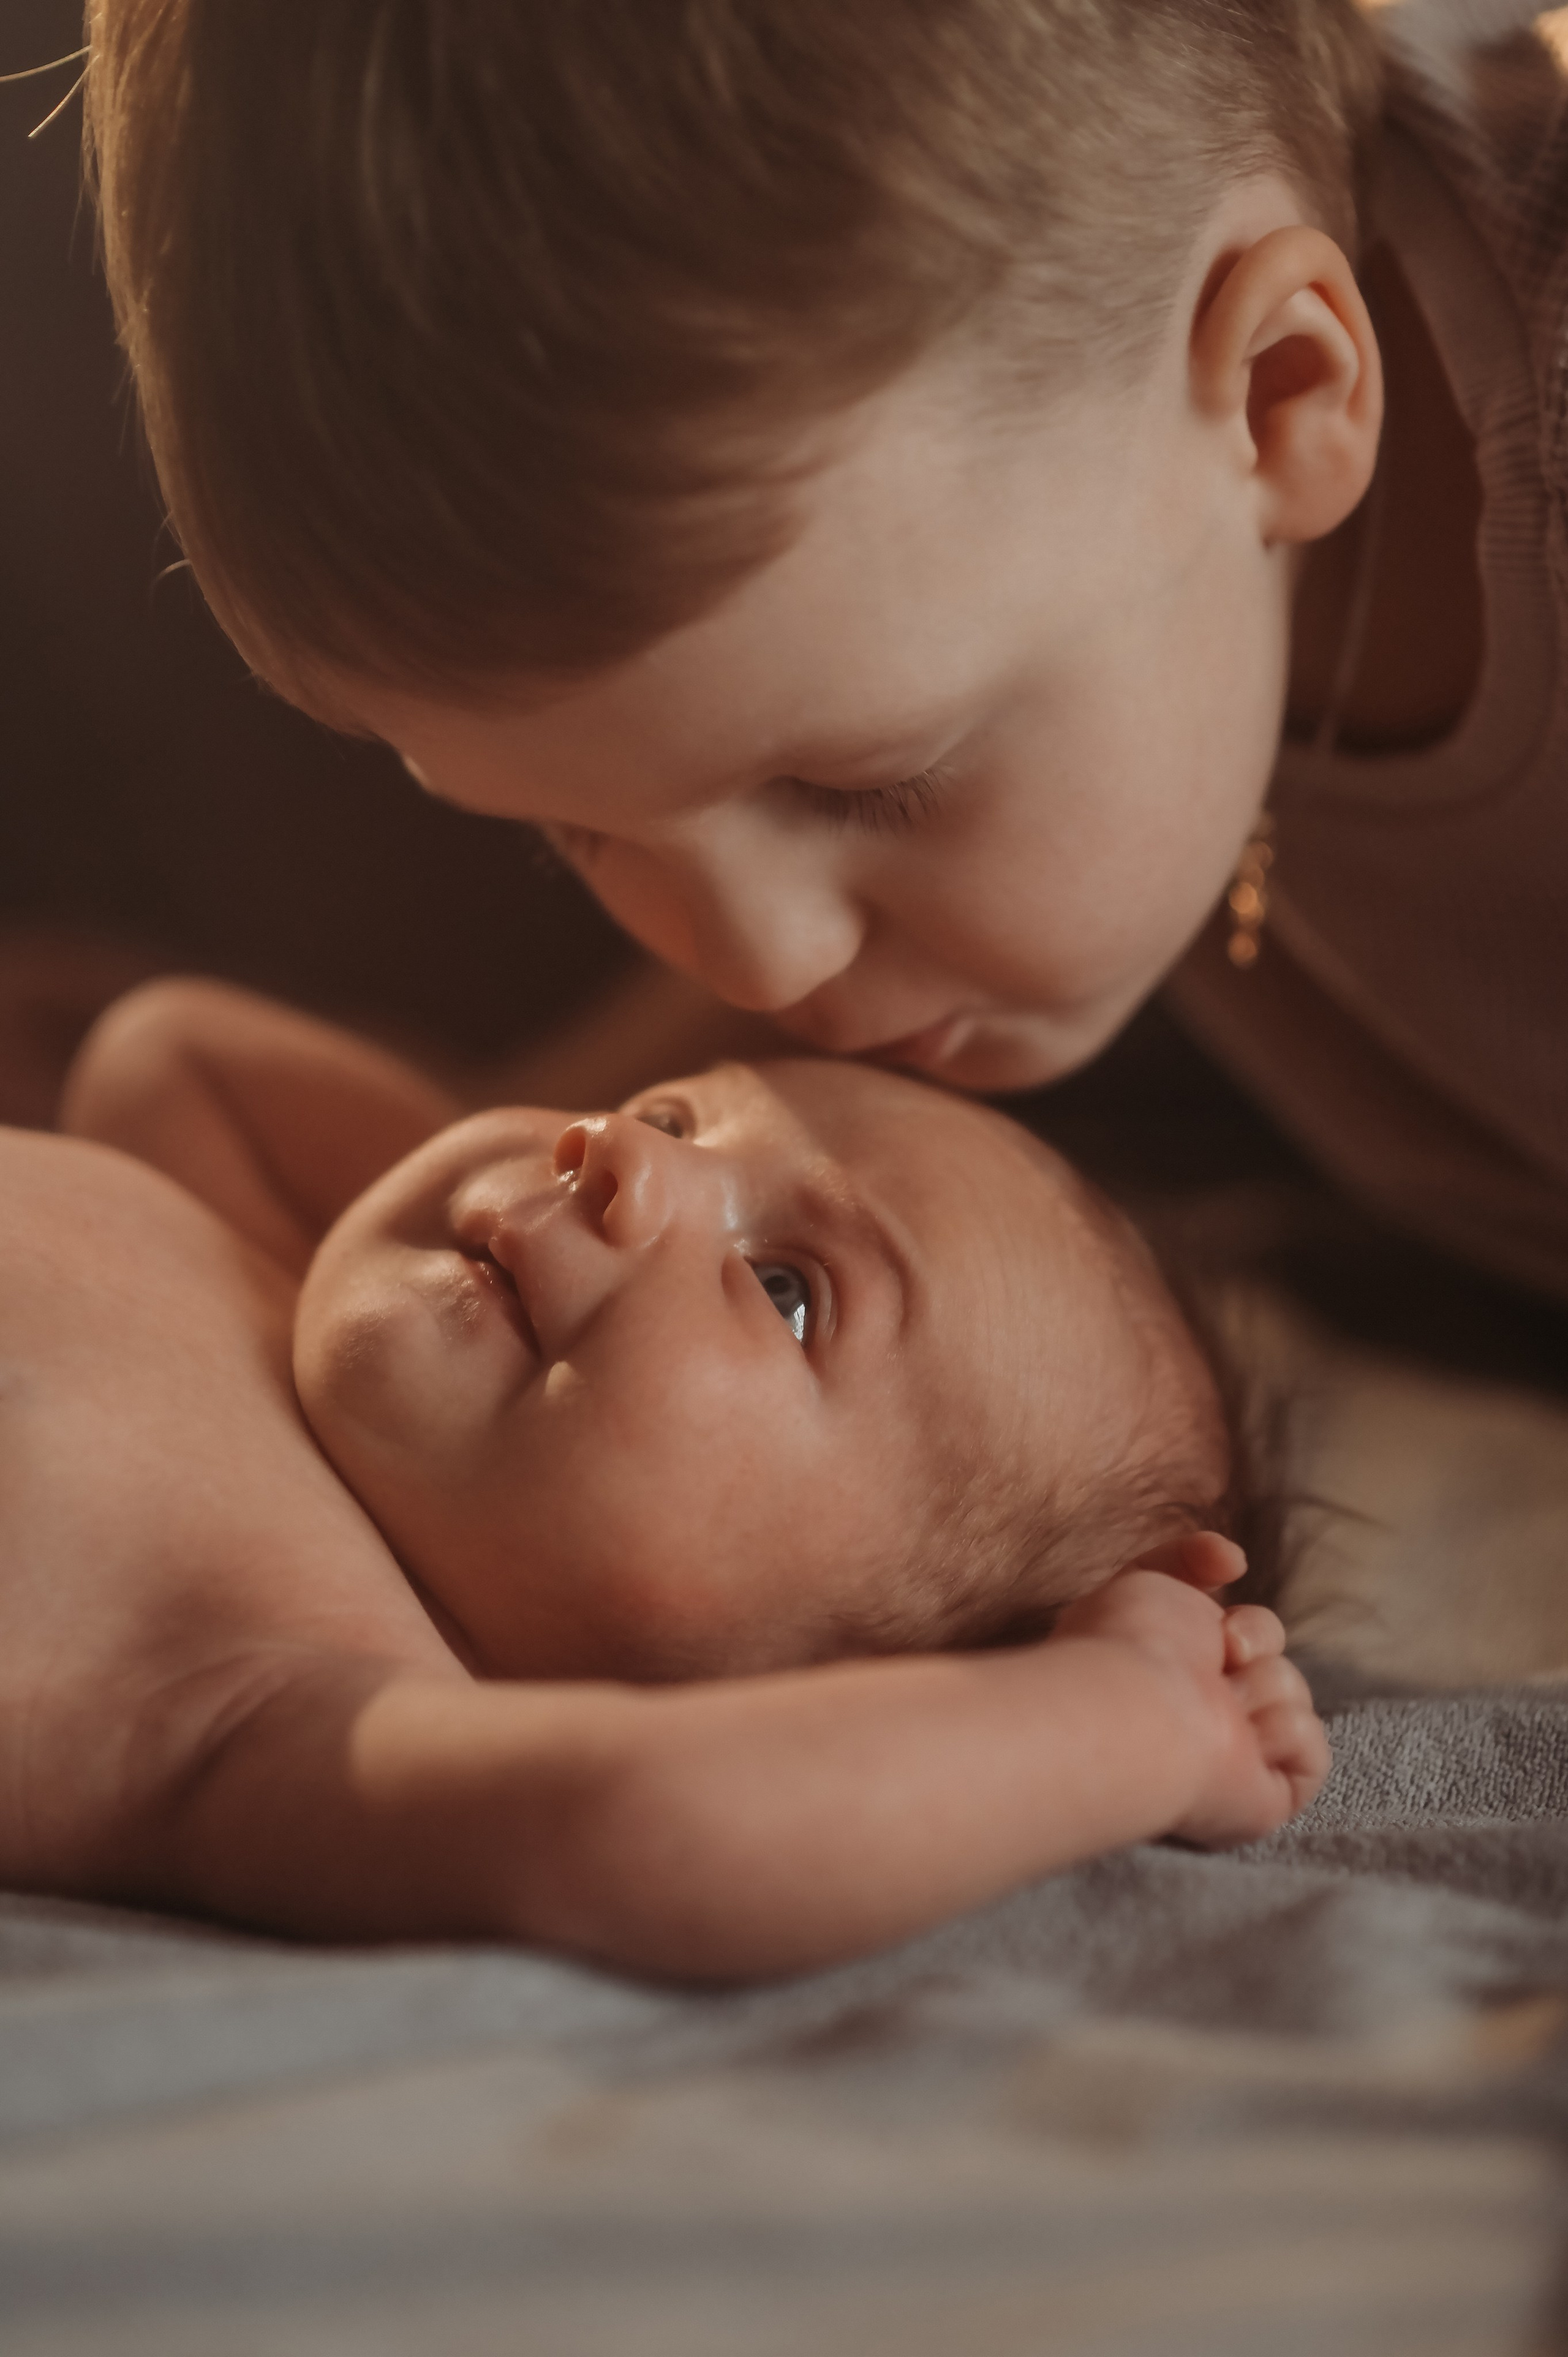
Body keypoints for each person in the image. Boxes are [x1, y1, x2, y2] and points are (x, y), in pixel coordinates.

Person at [83, 0, 1568, 1301]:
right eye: (575, 828)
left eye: (866, 785)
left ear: (1278, 393)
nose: (758, 965)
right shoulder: (1050, 527)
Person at [0, 976, 1325, 1980]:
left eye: (786, 1289)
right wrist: (527, 1231)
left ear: (842, 1698)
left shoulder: (300, 1696)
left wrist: (1122, 1719)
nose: (614, 1154)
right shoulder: (266, 1280)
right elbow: (171, 1046)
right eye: (674, 1113)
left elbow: (636, 1822)